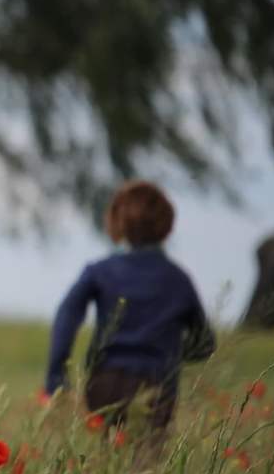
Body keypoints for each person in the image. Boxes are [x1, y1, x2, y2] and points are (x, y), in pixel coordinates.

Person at [43, 180, 215, 434]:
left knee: (108, 458)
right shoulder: (178, 280)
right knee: (146, 464)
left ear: (117, 222)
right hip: (157, 385)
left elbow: (66, 317)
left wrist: (56, 378)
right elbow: (204, 343)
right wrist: (169, 354)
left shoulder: (99, 272)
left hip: (105, 382)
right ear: (166, 226)